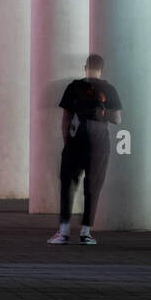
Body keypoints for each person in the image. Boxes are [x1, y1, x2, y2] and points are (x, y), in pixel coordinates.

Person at [48, 53, 122, 245]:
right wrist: (102, 113)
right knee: (93, 187)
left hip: (75, 142)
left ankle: (63, 232)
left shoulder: (74, 87)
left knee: (67, 185)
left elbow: (65, 118)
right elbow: (118, 119)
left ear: (85, 68)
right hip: (99, 144)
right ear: (102, 69)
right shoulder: (109, 89)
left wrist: (67, 142)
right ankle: (85, 233)